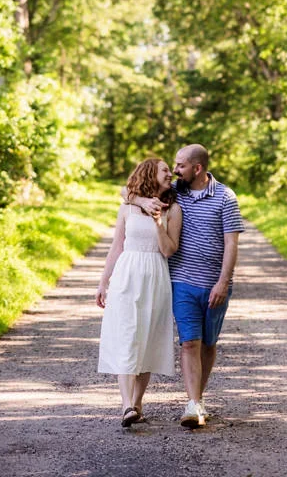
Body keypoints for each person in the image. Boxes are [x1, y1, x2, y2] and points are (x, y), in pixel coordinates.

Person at [130, 143, 244, 430]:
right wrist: (143, 202)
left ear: (198, 168)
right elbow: (128, 191)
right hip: (181, 280)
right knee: (189, 342)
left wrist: (223, 282)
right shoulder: (175, 191)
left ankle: (198, 399)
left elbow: (231, 244)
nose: (175, 169)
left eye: (180, 165)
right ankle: (193, 403)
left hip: (214, 284)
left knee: (208, 342)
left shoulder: (225, 197)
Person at [96, 158, 183, 427]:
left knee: (147, 340)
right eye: (165, 170)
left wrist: (158, 222)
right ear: (149, 174)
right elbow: (116, 246)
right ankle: (126, 405)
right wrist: (103, 281)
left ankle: (137, 403)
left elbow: (169, 250)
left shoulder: (174, 209)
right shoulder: (128, 208)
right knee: (127, 336)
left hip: (156, 274)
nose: (170, 173)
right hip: (127, 273)